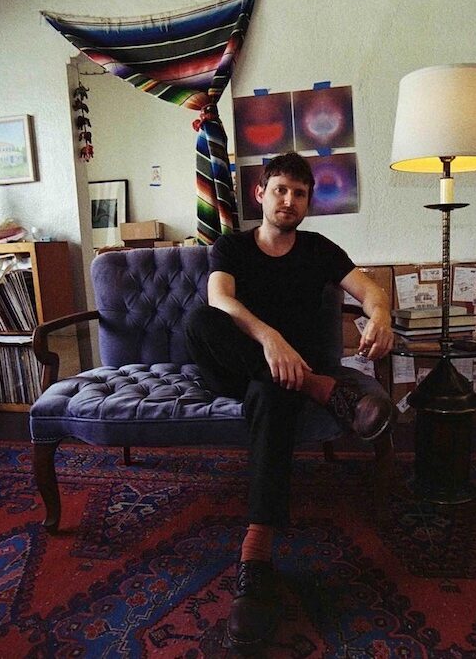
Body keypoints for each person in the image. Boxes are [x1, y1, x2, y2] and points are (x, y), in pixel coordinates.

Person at [184, 152, 394, 652]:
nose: (289, 200)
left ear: (307, 201)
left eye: (299, 193)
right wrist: (269, 339)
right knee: (200, 321)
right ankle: (322, 390)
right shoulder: (231, 247)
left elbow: (371, 290)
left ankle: (255, 558)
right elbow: (222, 302)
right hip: (235, 365)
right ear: (260, 193)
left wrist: (381, 316)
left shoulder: (318, 249)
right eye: (280, 190)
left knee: (274, 390)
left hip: (279, 379)